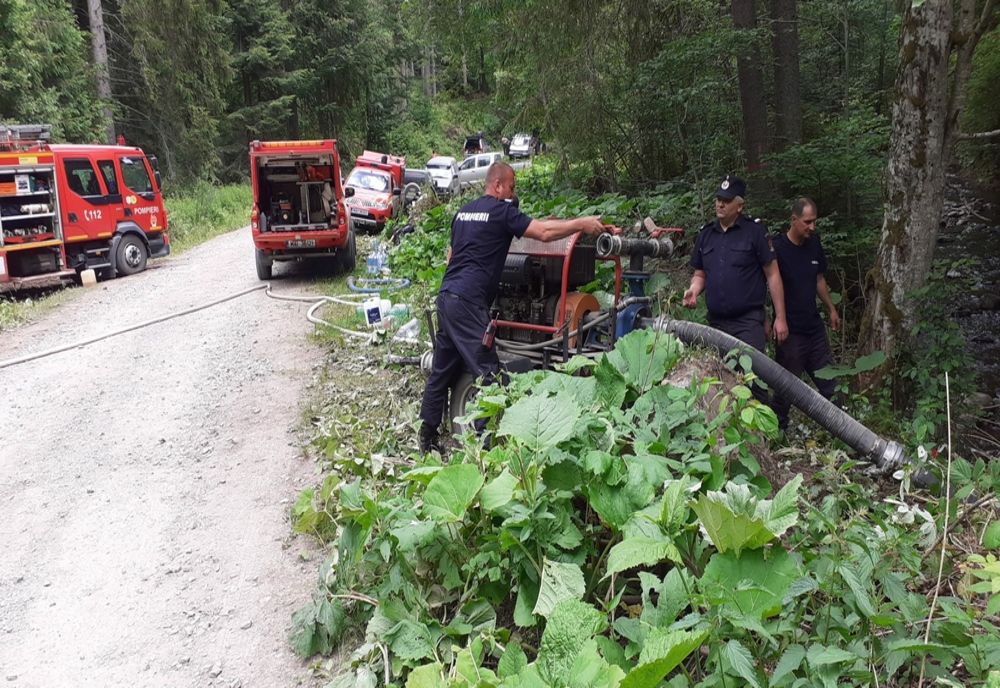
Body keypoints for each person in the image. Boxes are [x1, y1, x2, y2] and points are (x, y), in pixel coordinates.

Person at [418, 162, 609, 452]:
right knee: (490, 374)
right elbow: (543, 233)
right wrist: (581, 223)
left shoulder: (463, 213)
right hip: (469, 302)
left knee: (442, 370)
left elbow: (451, 256)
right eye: (511, 186)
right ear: (497, 186)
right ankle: (486, 449)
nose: (513, 192)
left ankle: (427, 439)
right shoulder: (501, 212)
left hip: (447, 297)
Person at [684, 175, 788, 399]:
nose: (720, 204)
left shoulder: (754, 232)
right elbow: (700, 273)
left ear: (739, 205)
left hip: (748, 322)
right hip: (717, 323)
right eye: (718, 199)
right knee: (719, 382)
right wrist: (693, 290)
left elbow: (772, 275)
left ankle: (761, 431)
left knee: (753, 380)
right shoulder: (706, 234)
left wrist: (780, 317)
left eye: (727, 200)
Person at [770, 197, 840, 430]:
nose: (812, 227)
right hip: (789, 333)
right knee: (785, 389)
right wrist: (773, 320)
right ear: (794, 220)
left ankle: (842, 431)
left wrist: (831, 308)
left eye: (814, 222)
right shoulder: (778, 248)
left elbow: (819, 278)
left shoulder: (814, 244)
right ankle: (776, 432)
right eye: (807, 222)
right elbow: (768, 284)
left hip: (814, 329)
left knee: (831, 385)